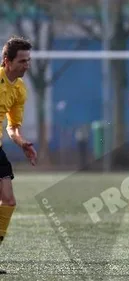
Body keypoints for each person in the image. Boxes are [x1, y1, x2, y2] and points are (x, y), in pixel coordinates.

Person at [0, 36, 38, 274]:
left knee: (9, 201)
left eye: (28, 60)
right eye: (22, 61)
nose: (27, 65)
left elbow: (12, 127)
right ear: (7, 61)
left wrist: (22, 143)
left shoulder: (20, 90)